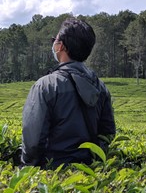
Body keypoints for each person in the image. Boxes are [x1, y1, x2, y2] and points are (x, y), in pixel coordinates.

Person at [21, 17, 116, 168]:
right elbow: (107, 134)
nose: (53, 43)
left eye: (55, 39)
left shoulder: (46, 86)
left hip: (53, 174)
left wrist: (28, 170)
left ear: (61, 46)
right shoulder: (101, 87)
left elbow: (33, 142)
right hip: (89, 174)